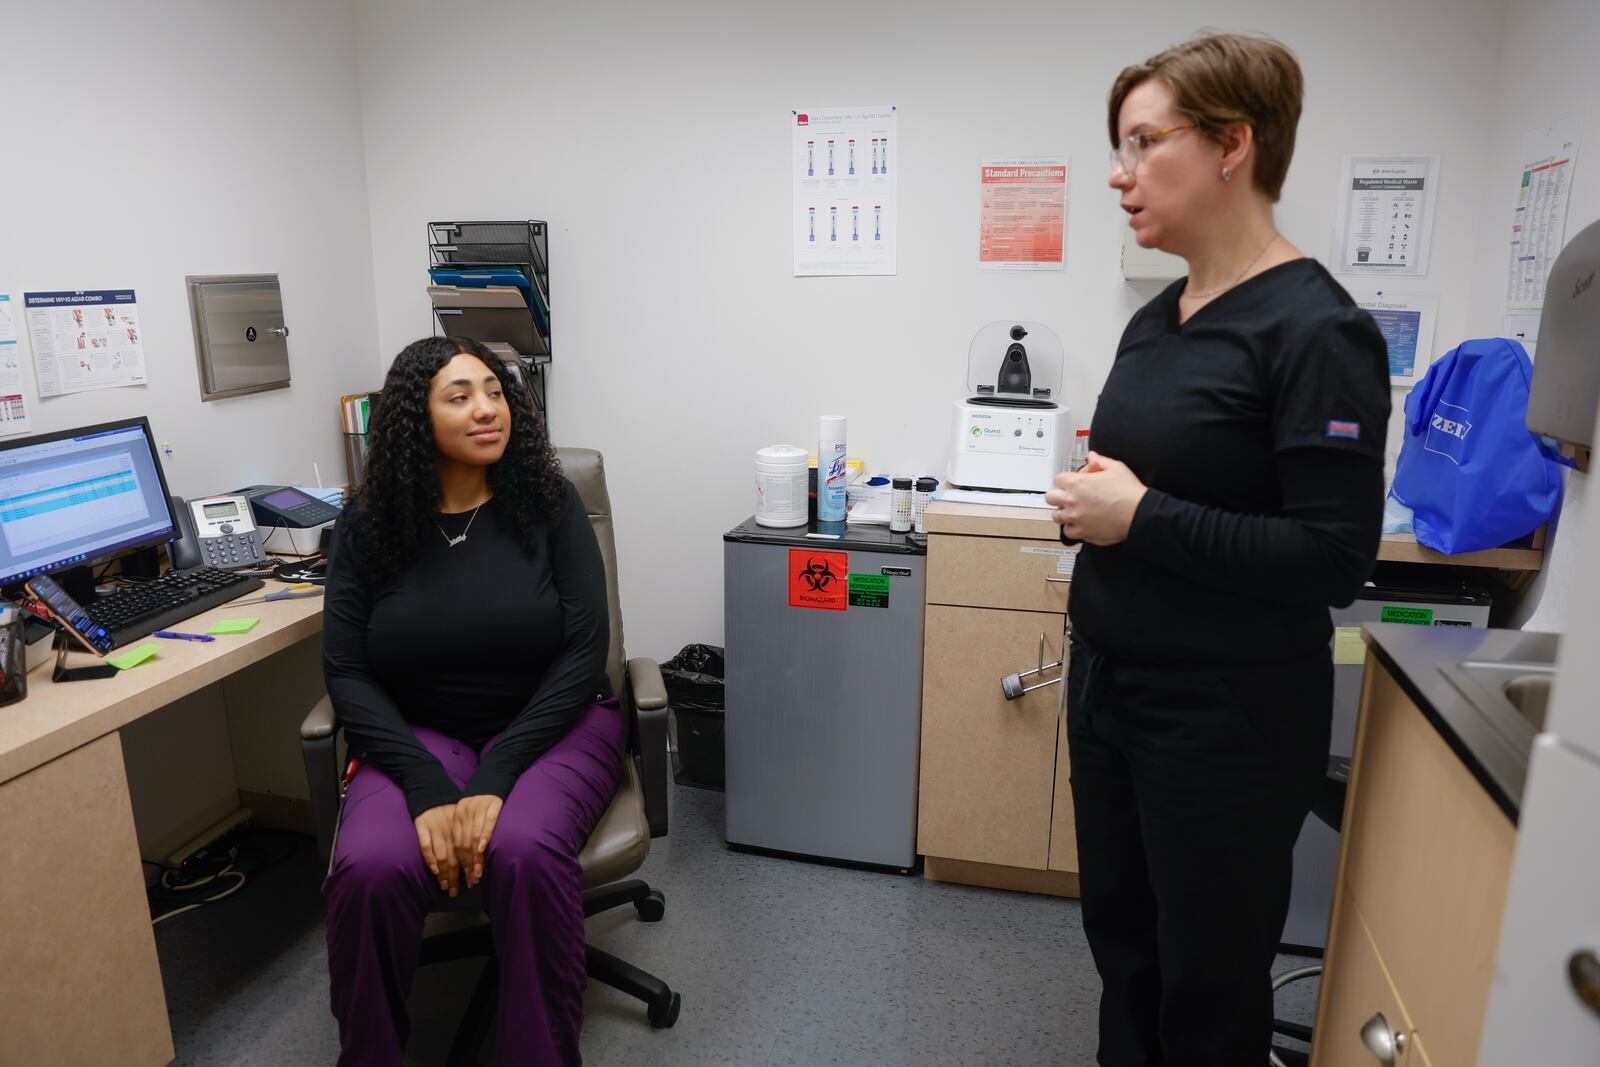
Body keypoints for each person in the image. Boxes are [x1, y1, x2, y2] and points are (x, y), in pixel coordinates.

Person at [1044, 34, 1391, 1065]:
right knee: (1124, 949)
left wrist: (1139, 517)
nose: (1118, 174)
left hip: (1223, 715)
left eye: (1142, 143)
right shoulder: (1160, 315)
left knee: (1205, 978)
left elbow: (1332, 557)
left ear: (1233, 144)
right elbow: (1145, 483)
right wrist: (1097, 507)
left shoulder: (1316, 330)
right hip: (1110, 683)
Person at [322, 335, 620, 1066]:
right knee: (370, 866)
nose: (487, 408)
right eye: (460, 395)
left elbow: (585, 653)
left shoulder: (551, 503)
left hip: (556, 722)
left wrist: (493, 781)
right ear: (413, 418)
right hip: (420, 730)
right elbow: (347, 669)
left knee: (521, 846)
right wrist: (427, 788)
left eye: (495, 390)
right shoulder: (369, 525)